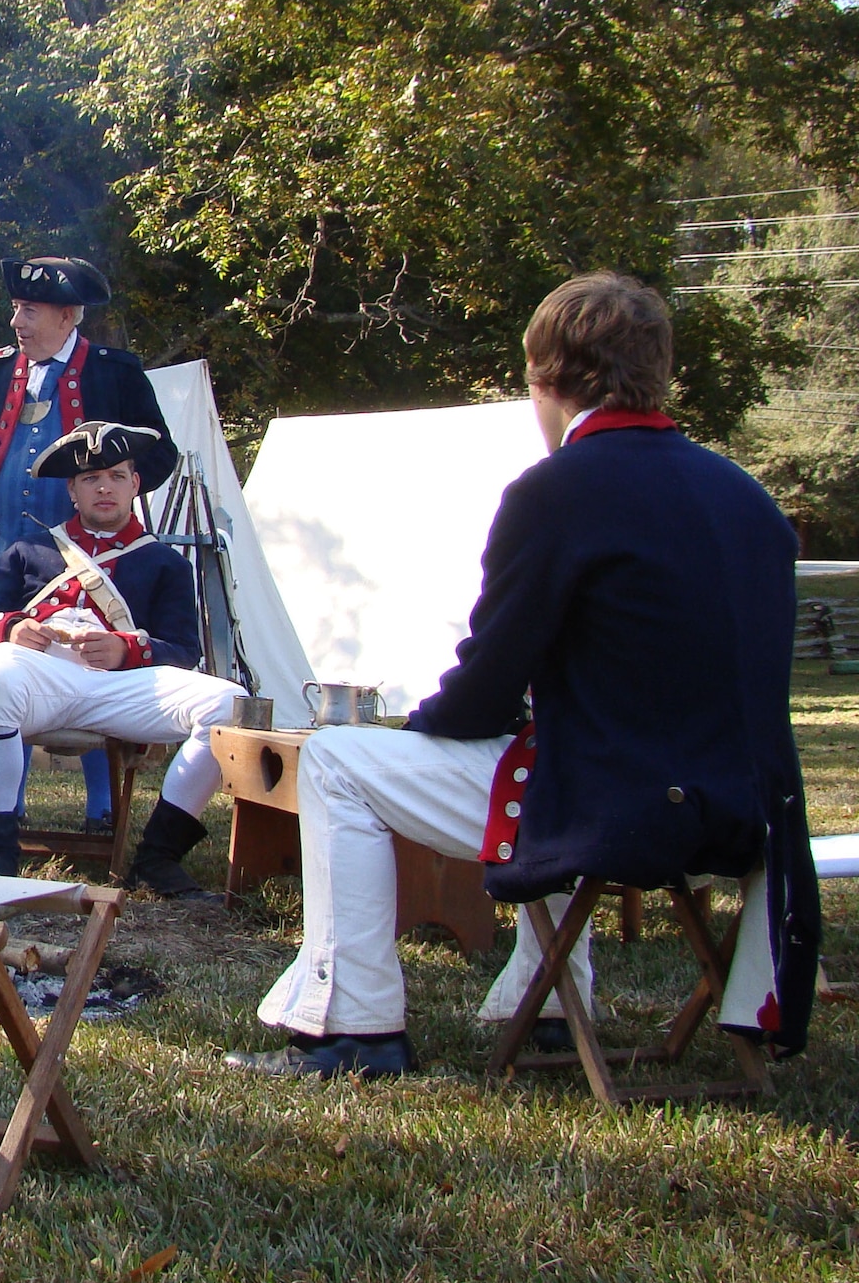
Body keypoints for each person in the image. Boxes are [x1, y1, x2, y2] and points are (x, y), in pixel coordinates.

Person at [226, 272, 820, 1080]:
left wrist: (417, 728)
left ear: (543, 378)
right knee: (560, 744)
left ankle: (352, 1028)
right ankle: (542, 1002)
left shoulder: (558, 490)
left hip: (618, 809)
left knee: (337, 759)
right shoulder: (747, 497)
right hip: (743, 813)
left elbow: (487, 688)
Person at [0, 256, 178, 831]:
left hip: (89, 553)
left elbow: (161, 453)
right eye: (16, 308)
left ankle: (104, 812)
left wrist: (111, 483)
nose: (17, 321)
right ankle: (7, 807)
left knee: (96, 660)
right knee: (9, 661)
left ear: (69, 314)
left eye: (30, 309)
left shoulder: (115, 372)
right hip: (3, 547)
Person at [0, 421, 245, 889]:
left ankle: (158, 858)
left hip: (121, 685)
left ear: (135, 483)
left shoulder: (164, 562)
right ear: (73, 490)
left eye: (115, 475)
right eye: (91, 479)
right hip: (38, 676)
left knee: (228, 704)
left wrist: (126, 648)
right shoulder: (29, 550)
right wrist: (10, 628)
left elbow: (184, 650)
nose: (104, 487)